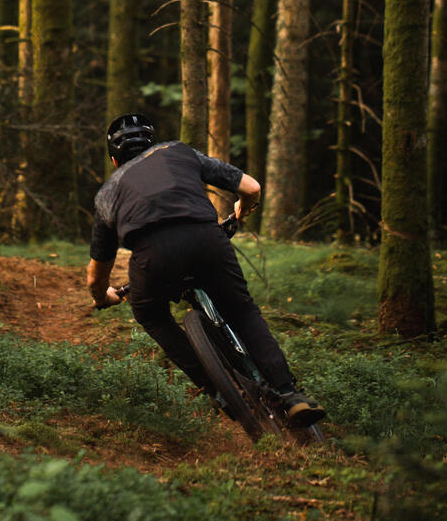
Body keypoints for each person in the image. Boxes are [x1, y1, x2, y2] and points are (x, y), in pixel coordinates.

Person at [86, 113, 325, 428]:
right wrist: (241, 209)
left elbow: (96, 276)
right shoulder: (177, 151)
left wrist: (105, 297)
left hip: (153, 257)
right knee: (241, 310)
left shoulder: (106, 194)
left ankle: (216, 388)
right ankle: (289, 394)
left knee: (152, 315)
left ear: (115, 161)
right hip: (206, 239)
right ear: (151, 145)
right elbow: (251, 186)